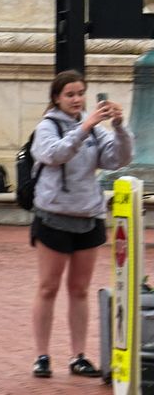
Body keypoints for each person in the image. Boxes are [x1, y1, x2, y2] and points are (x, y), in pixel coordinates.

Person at [28, 70, 132, 379]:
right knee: (48, 287)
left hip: (89, 216)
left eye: (80, 93)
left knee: (80, 289)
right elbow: (54, 154)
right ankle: (42, 356)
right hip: (54, 216)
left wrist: (119, 127)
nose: (77, 99)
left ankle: (78, 355)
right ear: (57, 98)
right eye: (70, 94)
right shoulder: (46, 127)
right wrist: (83, 128)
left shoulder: (94, 127)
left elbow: (117, 160)